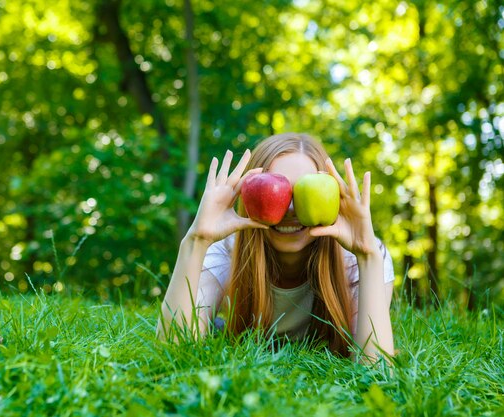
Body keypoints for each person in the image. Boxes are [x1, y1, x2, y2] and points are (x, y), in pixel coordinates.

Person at [157, 133, 394, 363]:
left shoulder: (358, 257)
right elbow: (173, 351)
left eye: (304, 192)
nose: (290, 209)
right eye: (278, 190)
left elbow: (376, 369)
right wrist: (196, 241)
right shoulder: (225, 252)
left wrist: (368, 256)